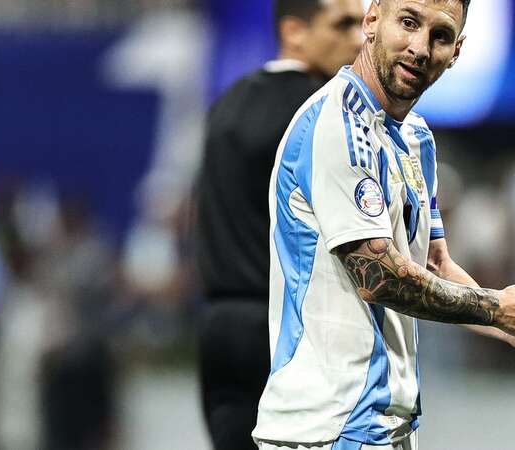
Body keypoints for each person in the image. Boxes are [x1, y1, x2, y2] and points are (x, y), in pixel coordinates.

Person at [253, 1, 515, 449]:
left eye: (440, 36)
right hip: (325, 428)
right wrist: (501, 309)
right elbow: (378, 275)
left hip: (387, 427)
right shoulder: (336, 123)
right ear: (371, 21)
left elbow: (435, 266)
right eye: (408, 22)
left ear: (456, 52)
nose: (420, 47)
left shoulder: (416, 137)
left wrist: (512, 329)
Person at [195, 0, 365, 449]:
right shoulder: (321, 113)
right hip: (285, 335)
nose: (360, 38)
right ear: (294, 32)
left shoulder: (225, 105)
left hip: (218, 328)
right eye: (343, 24)